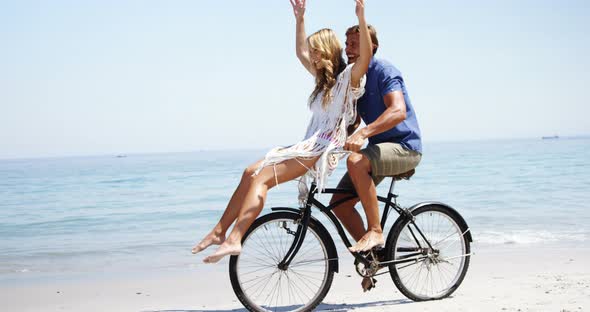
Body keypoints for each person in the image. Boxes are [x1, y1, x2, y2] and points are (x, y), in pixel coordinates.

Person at [191, 0, 373, 264]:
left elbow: (365, 57)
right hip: (306, 145)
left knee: (261, 179)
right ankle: (220, 232)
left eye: (315, 52)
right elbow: (299, 52)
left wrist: (361, 15)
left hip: (319, 151)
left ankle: (235, 238)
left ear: (326, 51)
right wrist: (300, 18)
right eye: (312, 52)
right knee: (249, 172)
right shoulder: (322, 81)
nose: (311, 56)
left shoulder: (348, 79)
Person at [332, 24, 423, 253]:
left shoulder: (384, 70)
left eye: (355, 44)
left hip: (406, 147)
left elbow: (398, 110)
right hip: (379, 150)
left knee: (356, 161)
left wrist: (363, 132)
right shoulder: (356, 79)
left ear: (372, 47)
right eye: (347, 44)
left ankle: (376, 231)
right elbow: (352, 122)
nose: (348, 49)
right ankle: (373, 257)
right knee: (339, 204)